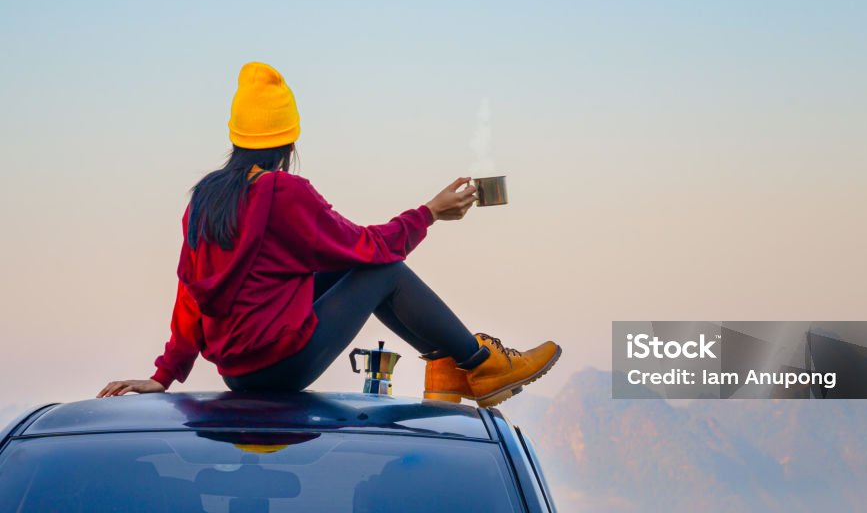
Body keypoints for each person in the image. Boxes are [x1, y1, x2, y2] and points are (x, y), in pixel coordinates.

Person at [97, 62, 560, 406]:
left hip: (236, 371)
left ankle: (446, 365)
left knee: (348, 264)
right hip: (280, 365)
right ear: (290, 137)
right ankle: (483, 366)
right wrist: (430, 213)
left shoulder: (206, 198)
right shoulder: (283, 192)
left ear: (236, 136)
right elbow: (374, 247)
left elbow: (190, 292)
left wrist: (165, 374)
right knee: (385, 271)